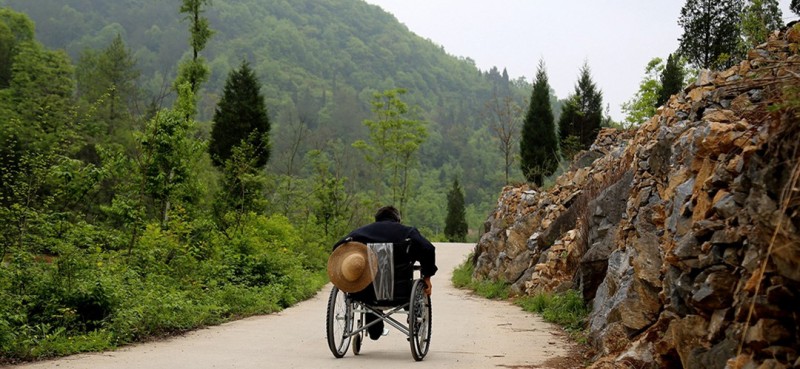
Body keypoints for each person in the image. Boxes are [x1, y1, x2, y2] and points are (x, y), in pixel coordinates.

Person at [332, 205, 437, 340]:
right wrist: (427, 277)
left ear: (377, 219)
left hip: (366, 292)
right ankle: (415, 319)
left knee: (370, 288)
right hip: (400, 292)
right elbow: (428, 249)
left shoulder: (360, 233)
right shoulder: (407, 232)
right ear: (397, 220)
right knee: (413, 291)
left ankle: (375, 331)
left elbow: (338, 249)